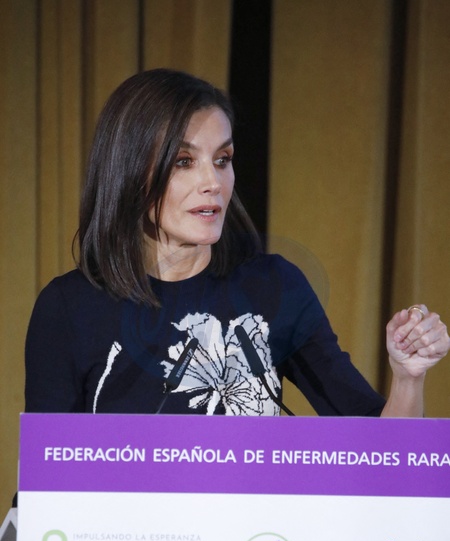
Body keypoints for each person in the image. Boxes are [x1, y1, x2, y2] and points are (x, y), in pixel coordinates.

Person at [25, 68, 450, 417]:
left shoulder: (273, 288)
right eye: (184, 161)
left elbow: (384, 452)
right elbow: (47, 471)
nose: (213, 182)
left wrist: (408, 377)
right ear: (129, 171)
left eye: (222, 160)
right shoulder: (68, 308)